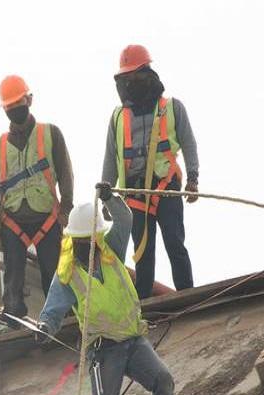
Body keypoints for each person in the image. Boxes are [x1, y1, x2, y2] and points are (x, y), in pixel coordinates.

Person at [37, 182, 185, 395]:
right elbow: (53, 309)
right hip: (103, 351)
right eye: (81, 241)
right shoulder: (67, 274)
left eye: (90, 240)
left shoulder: (111, 250)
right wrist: (45, 327)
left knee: (163, 381)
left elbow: (126, 219)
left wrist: (109, 197)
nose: (87, 245)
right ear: (73, 241)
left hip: (133, 340)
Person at [102, 44, 199, 299]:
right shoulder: (117, 117)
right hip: (134, 193)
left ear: (146, 72)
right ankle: (143, 304)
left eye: (134, 75)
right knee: (143, 252)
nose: (129, 82)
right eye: (126, 78)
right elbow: (111, 157)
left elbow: (188, 143)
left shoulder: (171, 108)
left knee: (175, 242)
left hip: (165, 187)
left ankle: (187, 295)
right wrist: (107, 194)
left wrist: (193, 178)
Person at [0, 74, 74, 316]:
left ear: (30, 100)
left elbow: (66, 174)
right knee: (12, 280)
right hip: (12, 220)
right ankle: (14, 321)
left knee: (54, 274)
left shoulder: (50, 134)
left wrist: (65, 211)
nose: (15, 109)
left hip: (47, 216)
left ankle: (60, 322)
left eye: (19, 103)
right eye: (10, 106)